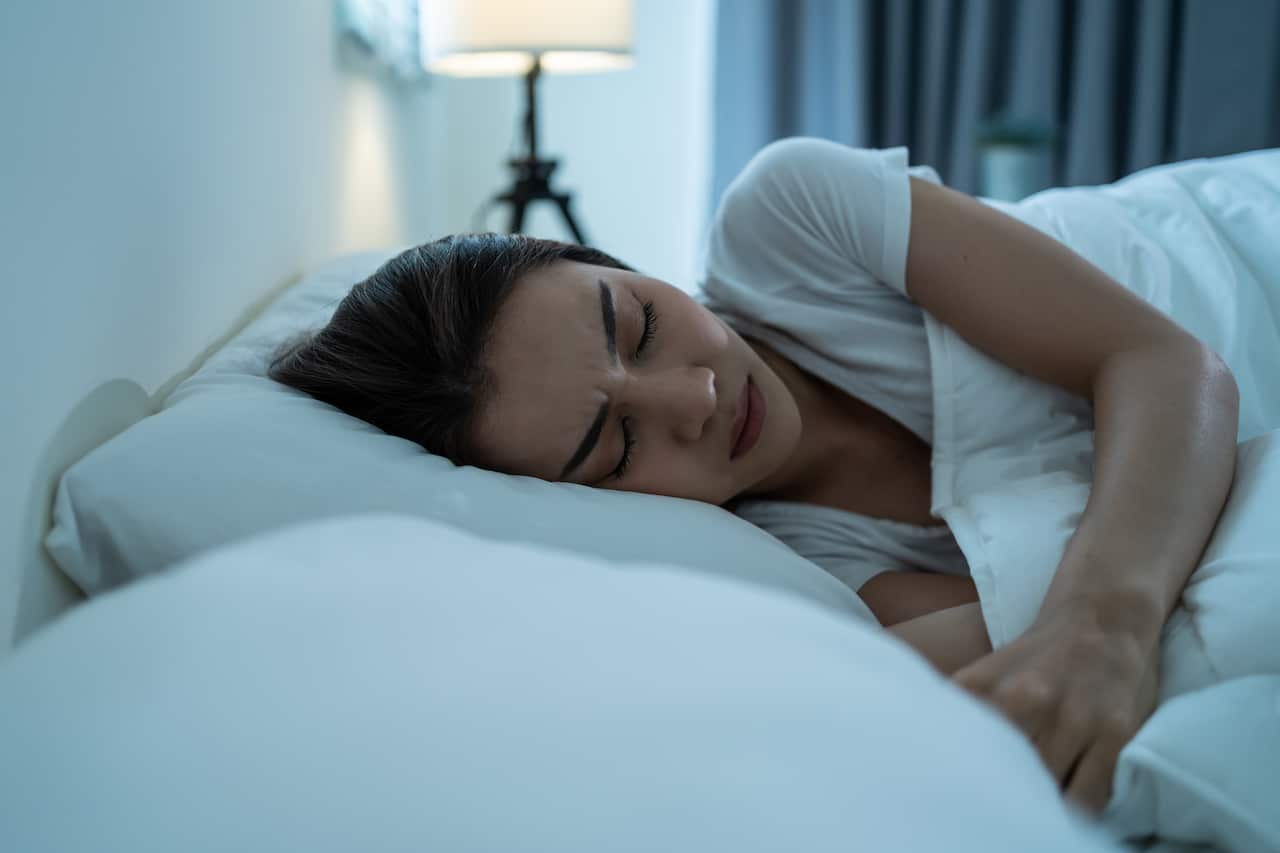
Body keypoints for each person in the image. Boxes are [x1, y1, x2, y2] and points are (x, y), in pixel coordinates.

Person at [270, 137, 1239, 813]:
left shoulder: (788, 221)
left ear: (611, 259)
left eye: (639, 323)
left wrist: (1102, 620)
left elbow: (1162, 360)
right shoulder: (806, 571)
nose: (693, 394)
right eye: (615, 446)